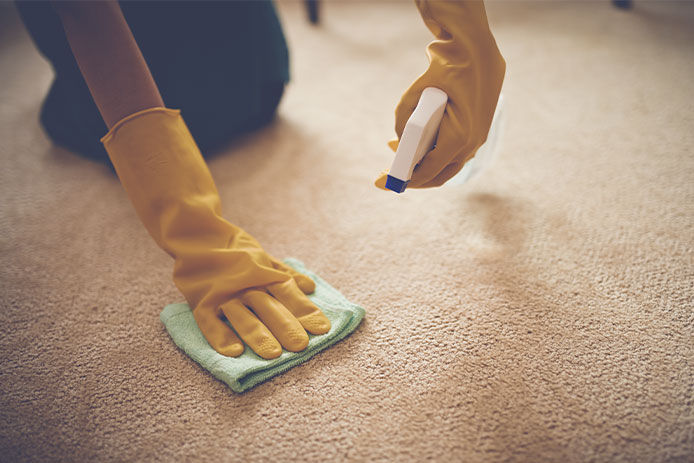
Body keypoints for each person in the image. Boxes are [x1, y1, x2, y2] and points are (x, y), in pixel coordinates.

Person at [15, 0, 505, 359]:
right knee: (129, 102)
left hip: (254, 71)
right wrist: (193, 226)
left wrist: (463, 36)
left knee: (243, 89)